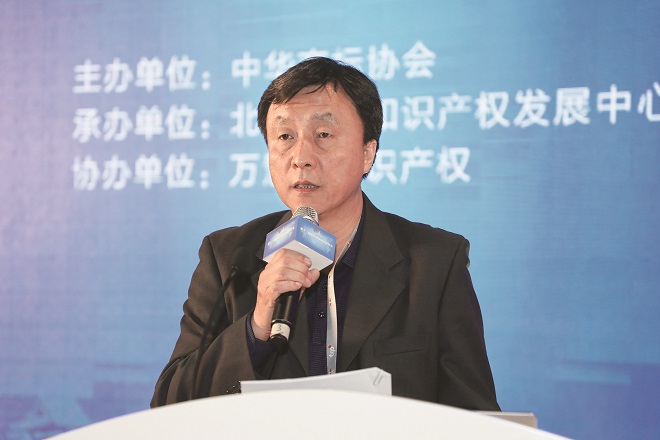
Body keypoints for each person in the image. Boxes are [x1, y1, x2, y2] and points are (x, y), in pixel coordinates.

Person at [151, 57, 499, 410]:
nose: (301, 157)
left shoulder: (434, 262)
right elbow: (169, 405)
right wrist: (255, 328)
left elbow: (476, 417)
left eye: (323, 135)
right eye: (285, 137)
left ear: (367, 153)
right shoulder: (228, 258)